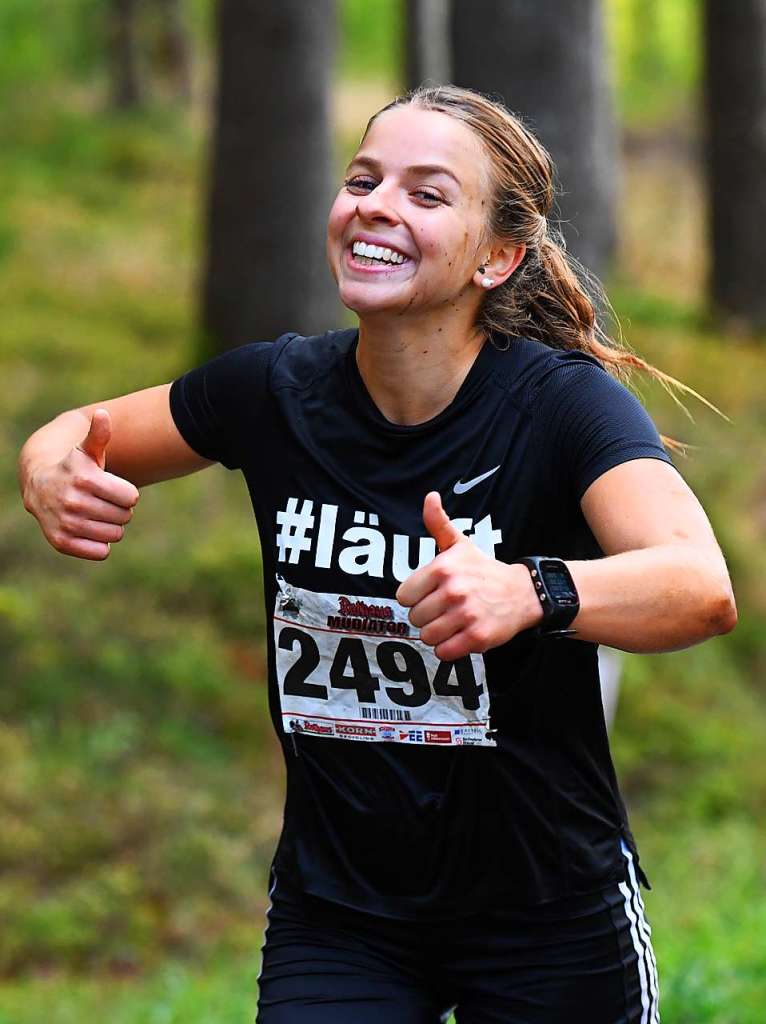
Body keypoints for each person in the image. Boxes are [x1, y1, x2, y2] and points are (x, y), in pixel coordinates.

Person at [18, 85, 736, 1023]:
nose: (376, 205)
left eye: (428, 194)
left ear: (499, 255)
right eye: (363, 179)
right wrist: (47, 465)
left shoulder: (559, 407)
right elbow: (86, 430)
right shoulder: (276, 391)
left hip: (548, 912)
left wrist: (528, 592)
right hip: (342, 915)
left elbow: (699, 583)